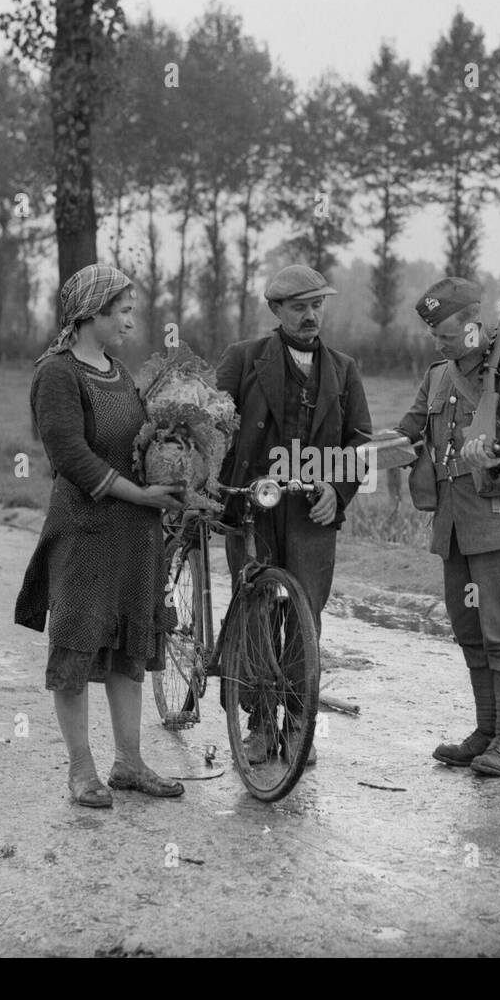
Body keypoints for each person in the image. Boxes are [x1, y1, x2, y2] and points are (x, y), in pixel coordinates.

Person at [15, 263, 187, 807]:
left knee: (128, 651)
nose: (131, 323)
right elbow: (70, 456)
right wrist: (139, 496)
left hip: (135, 538)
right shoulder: (58, 373)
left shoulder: (118, 371)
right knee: (76, 647)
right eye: (124, 312)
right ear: (91, 313)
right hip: (84, 533)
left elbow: (137, 448)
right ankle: (82, 771)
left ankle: (130, 764)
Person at [394, 277, 500, 776]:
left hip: (497, 523)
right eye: (433, 334)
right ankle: (485, 731)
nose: (436, 342)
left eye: (444, 333)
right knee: (470, 631)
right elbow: (408, 430)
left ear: (472, 326)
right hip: (454, 528)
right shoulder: (438, 376)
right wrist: (372, 447)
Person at [215, 264, 372, 766]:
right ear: (276, 310)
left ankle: (299, 722)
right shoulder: (243, 360)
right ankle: (258, 723)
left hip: (312, 512)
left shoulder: (344, 369)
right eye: (299, 306)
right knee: (257, 611)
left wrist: (339, 490)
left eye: (317, 305)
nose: (310, 315)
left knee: (306, 617)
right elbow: (214, 426)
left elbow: (360, 443)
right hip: (252, 508)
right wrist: (213, 489)